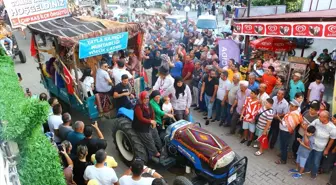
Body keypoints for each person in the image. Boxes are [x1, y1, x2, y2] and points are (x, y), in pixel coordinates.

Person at [305, 111, 336, 179]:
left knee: (316, 161)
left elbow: (332, 140)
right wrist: (306, 137)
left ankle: (314, 173)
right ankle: (307, 169)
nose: (318, 117)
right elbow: (309, 127)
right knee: (309, 157)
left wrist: (327, 150)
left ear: (325, 118)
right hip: (311, 144)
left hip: (320, 148)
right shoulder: (317, 121)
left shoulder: (332, 128)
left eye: (320, 116)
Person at [133, 91, 162, 158]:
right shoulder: (138, 107)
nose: (146, 100)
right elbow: (141, 118)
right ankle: (155, 153)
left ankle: (161, 149)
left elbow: (152, 112)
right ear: (141, 98)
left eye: (147, 98)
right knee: (150, 140)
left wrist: (153, 121)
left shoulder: (148, 104)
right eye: (144, 98)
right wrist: (150, 121)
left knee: (156, 136)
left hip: (149, 123)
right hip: (141, 126)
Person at [275, 99, 303, 165]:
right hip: (286, 131)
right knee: (284, 145)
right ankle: (282, 155)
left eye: (292, 106)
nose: (290, 107)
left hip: (285, 131)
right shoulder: (294, 113)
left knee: (284, 145)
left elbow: (285, 125)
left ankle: (283, 160)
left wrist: (279, 118)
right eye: (290, 105)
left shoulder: (294, 115)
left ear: (296, 107)